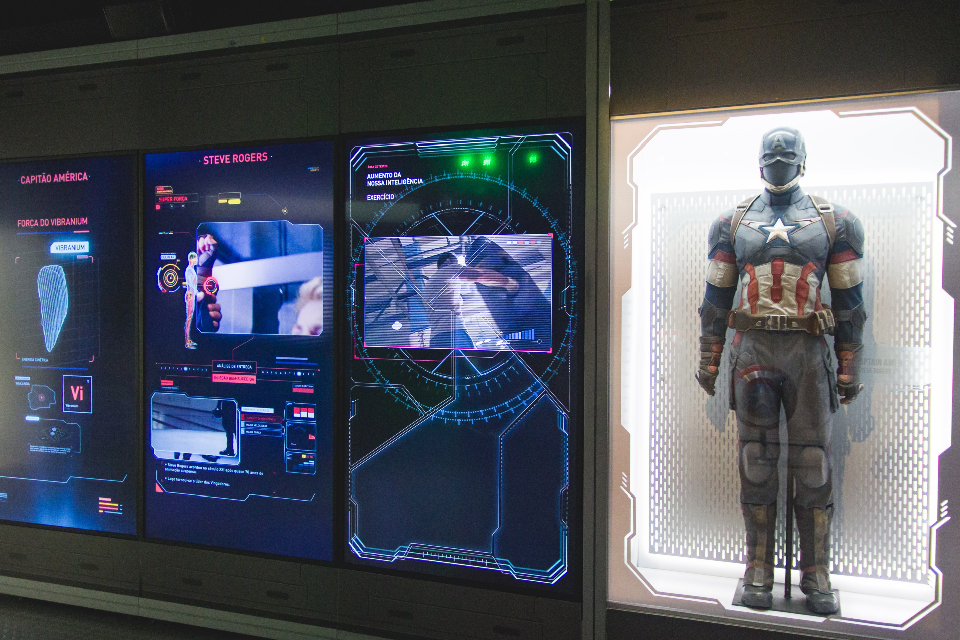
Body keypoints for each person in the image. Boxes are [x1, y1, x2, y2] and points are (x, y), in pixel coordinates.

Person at [695, 127, 866, 614]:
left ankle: (816, 572)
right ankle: (758, 567)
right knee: (756, 458)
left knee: (814, 462)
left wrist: (849, 363)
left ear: (802, 162)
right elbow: (715, 300)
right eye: (772, 156)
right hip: (752, 353)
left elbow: (850, 304)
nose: (778, 161)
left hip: (807, 353)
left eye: (785, 156)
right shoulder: (731, 223)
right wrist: (709, 357)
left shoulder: (837, 223)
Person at [183, 252, 199, 349]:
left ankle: (188, 339)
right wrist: (196, 292)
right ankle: (187, 341)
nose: (196, 260)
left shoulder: (191, 270)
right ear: (191, 259)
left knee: (190, 317)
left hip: (191, 293)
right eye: (195, 258)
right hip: (190, 294)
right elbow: (191, 284)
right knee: (189, 317)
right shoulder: (189, 270)